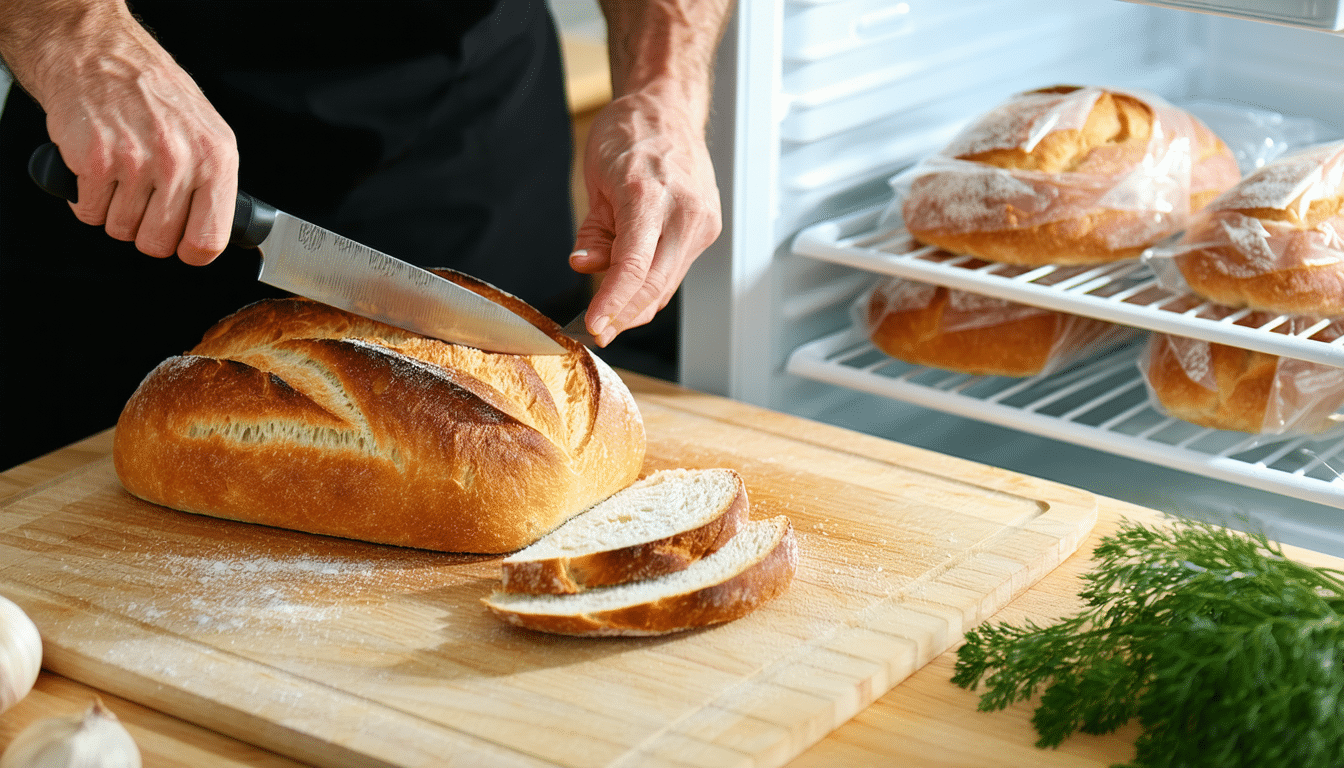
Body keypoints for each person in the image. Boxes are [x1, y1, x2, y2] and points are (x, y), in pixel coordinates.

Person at [0, 0, 730, 470]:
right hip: (125, 149)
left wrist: (663, 86)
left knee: (511, 453)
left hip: (468, 139)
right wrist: (78, 34)